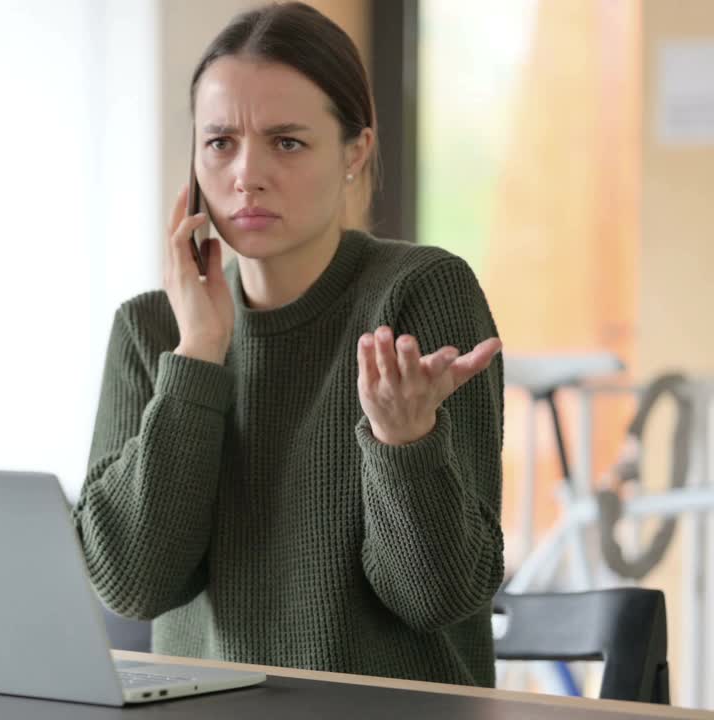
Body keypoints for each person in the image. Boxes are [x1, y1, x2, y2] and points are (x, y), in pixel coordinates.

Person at [72, 2, 505, 687]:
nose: (247, 174)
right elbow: (131, 586)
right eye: (219, 143)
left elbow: (437, 598)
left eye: (287, 142)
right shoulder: (152, 330)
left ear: (355, 153)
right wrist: (199, 354)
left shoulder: (419, 297)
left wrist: (405, 444)